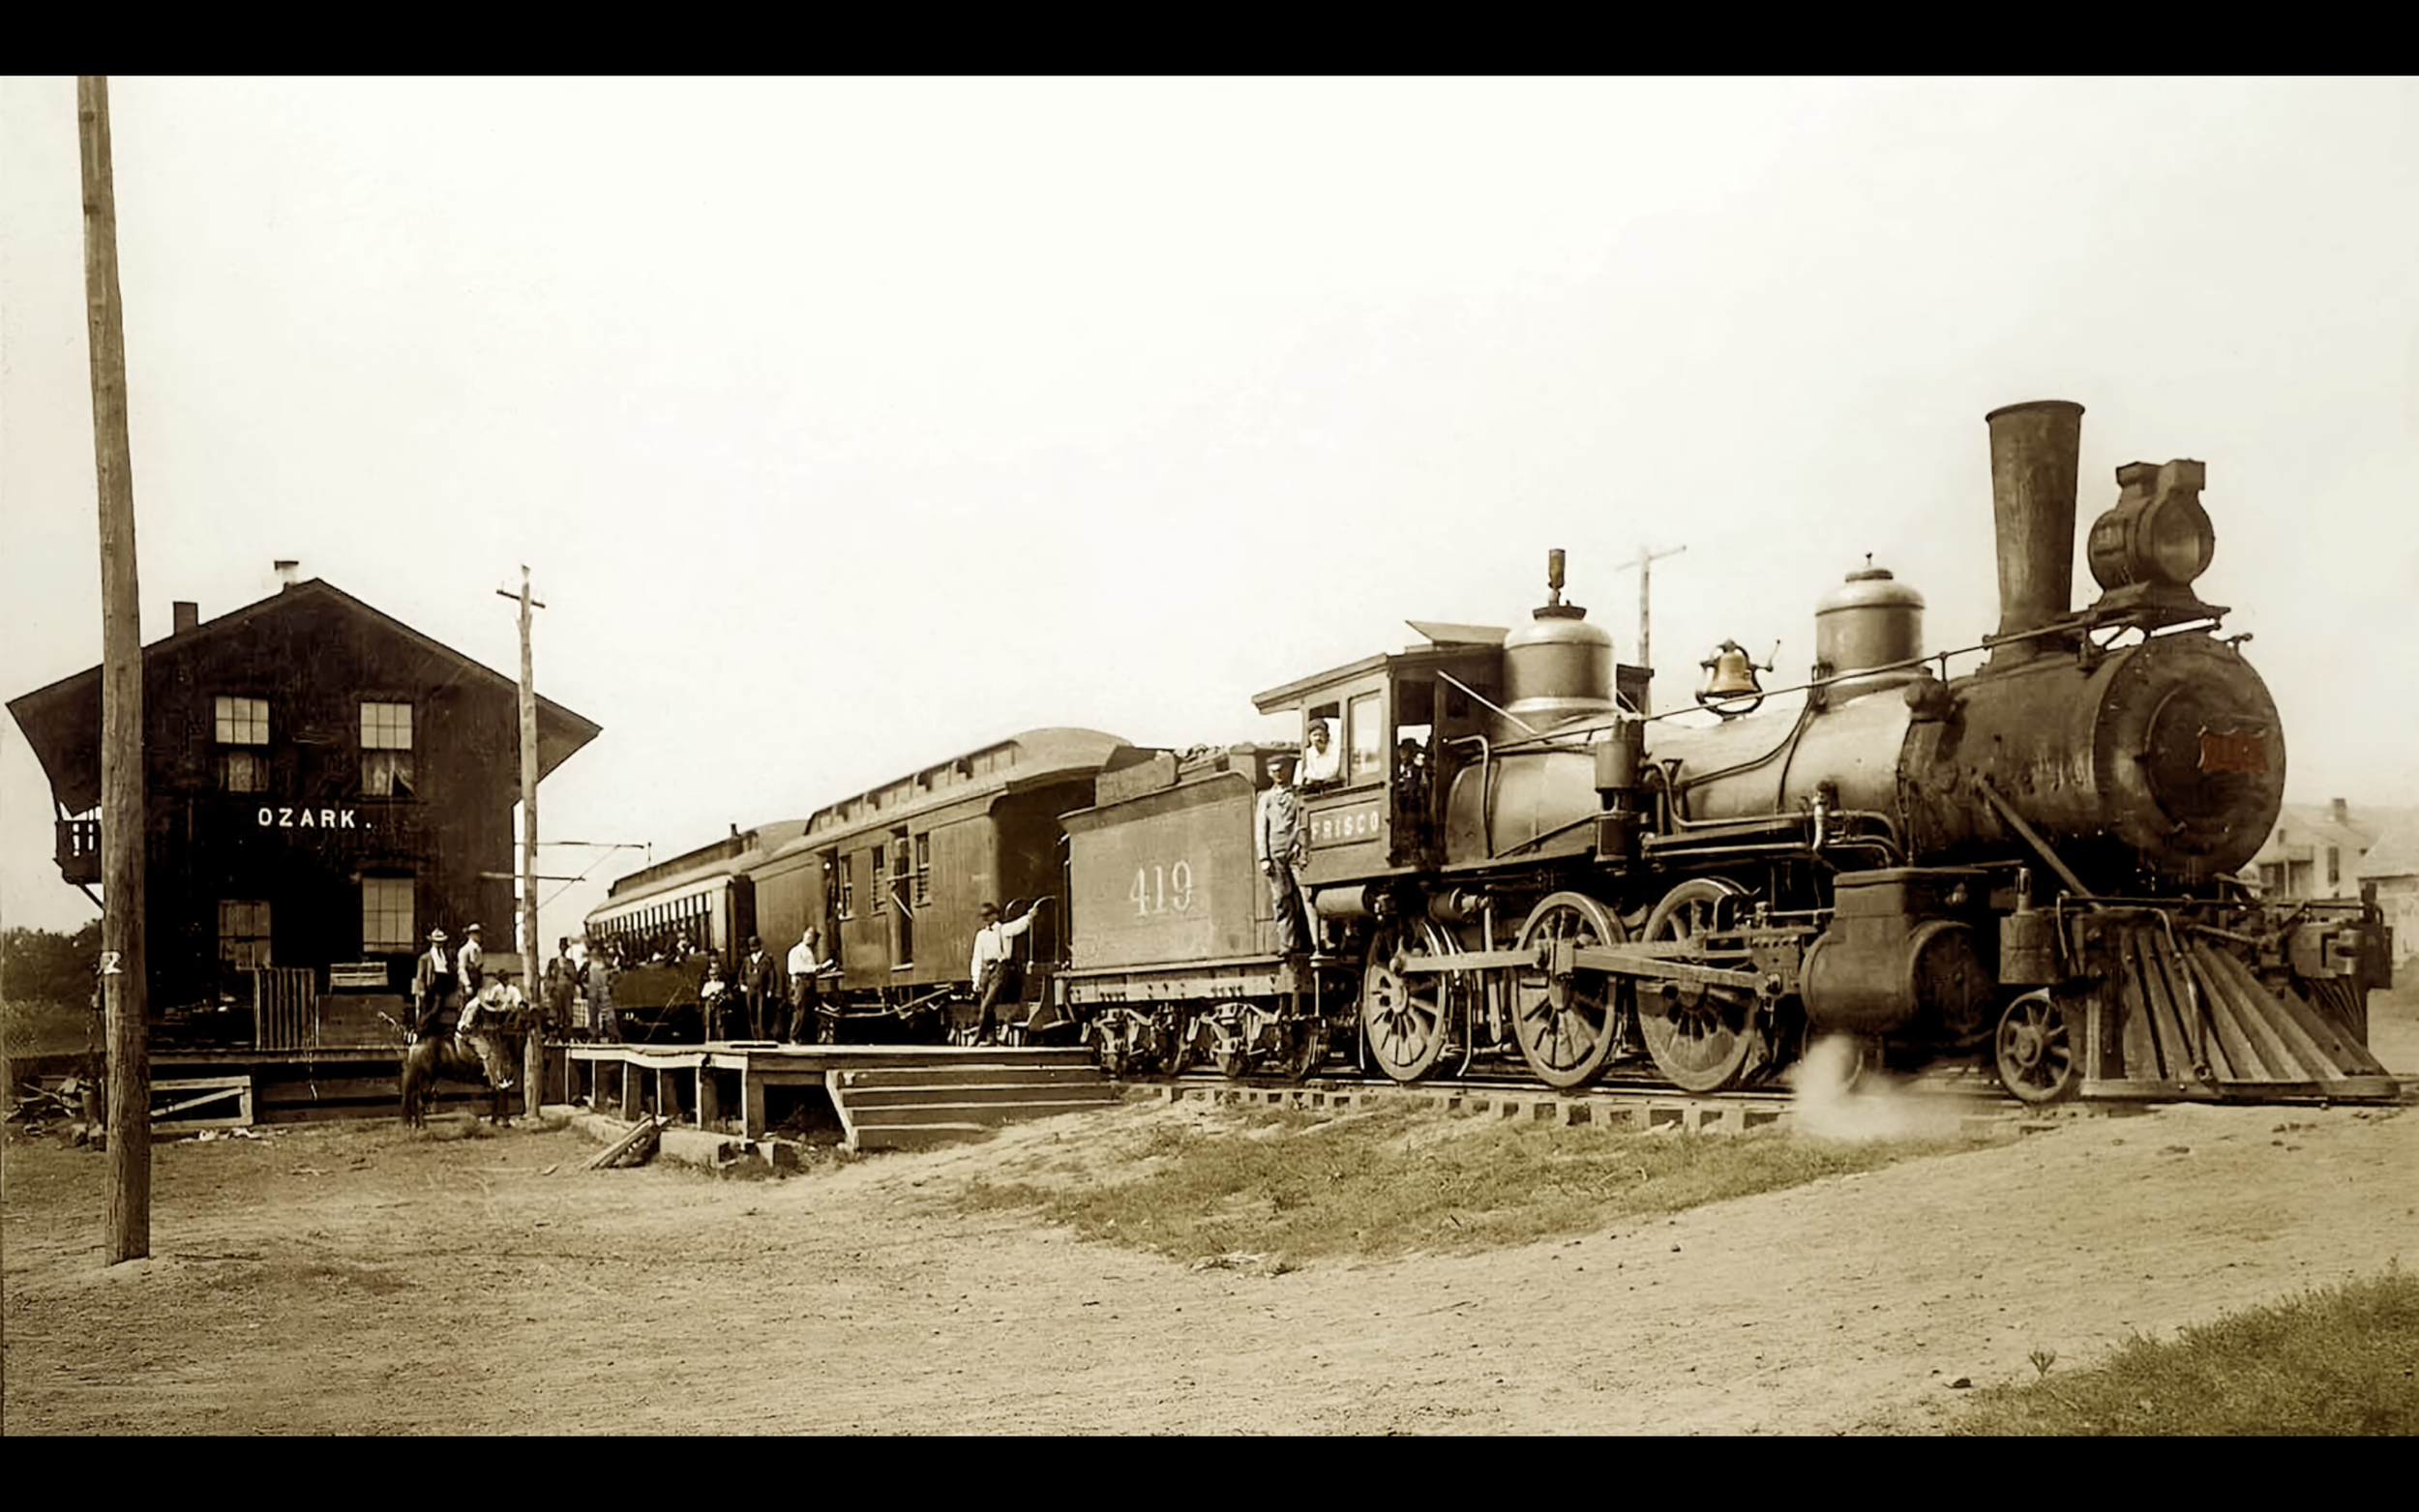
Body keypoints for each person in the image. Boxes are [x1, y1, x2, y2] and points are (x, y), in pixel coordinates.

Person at [969, 899, 1047, 1046]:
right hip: (985, 970)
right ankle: (991, 1038)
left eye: (988, 915)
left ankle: (980, 1033)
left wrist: (1030, 916)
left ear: (995, 915)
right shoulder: (981, 935)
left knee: (987, 1003)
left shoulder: (1004, 930)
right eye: (984, 916)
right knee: (988, 1006)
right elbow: (977, 957)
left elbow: (1019, 926)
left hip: (999, 968)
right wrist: (976, 979)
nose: (986, 919)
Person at [1257, 755, 1310, 956]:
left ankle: (1314, 940)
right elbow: (1261, 829)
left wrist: (1299, 844)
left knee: (1305, 895)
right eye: (1274, 771)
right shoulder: (1265, 799)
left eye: (1282, 769)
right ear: (1269, 773)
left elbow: (1302, 821)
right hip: (1275, 853)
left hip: (1296, 851)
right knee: (1281, 898)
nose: (1279, 774)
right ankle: (1288, 942)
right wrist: (1264, 858)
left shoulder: (1297, 795)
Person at [456, 966, 523, 1092]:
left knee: (497, 1046)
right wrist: (477, 1031)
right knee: (488, 1052)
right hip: (466, 1035)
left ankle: (501, 1075)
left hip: (474, 1032)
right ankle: (494, 1082)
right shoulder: (474, 1006)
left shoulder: (482, 1005)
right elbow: (466, 1026)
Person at [786, 927, 833, 1044]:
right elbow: (796, 968)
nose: (811, 939)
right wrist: (814, 968)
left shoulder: (809, 951)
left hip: (810, 981)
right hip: (801, 981)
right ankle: (794, 1036)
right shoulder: (796, 951)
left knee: (809, 1009)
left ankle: (806, 1037)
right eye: (809, 936)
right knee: (800, 1009)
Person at [410, 928, 455, 1040]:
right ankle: (420, 1031)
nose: (439, 944)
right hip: (430, 988)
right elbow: (420, 976)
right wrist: (421, 990)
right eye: (437, 942)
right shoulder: (426, 958)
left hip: (443, 986)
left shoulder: (446, 956)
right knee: (430, 1010)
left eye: (441, 942)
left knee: (439, 1011)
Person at [737, 934, 781, 1040]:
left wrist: (770, 989)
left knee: (761, 1011)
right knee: (751, 1011)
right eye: (751, 946)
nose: (753, 949)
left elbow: (771, 975)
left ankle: (762, 1035)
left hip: (762, 990)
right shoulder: (747, 960)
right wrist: (742, 984)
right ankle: (754, 1035)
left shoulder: (766, 960)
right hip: (750, 989)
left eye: (755, 946)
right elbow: (741, 974)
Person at [1300, 718, 1342, 786]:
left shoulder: (1334, 750)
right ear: (1309, 738)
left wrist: (1314, 776)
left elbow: (1333, 772)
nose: (1318, 738)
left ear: (1327, 736)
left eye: (1320, 735)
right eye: (1315, 735)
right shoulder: (1309, 752)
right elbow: (1307, 773)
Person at [456, 923, 486, 1002]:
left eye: (479, 933)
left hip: (477, 982)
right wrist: (467, 984)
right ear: (470, 935)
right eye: (476, 933)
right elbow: (461, 969)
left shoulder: (478, 949)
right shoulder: (464, 950)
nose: (479, 936)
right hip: (468, 981)